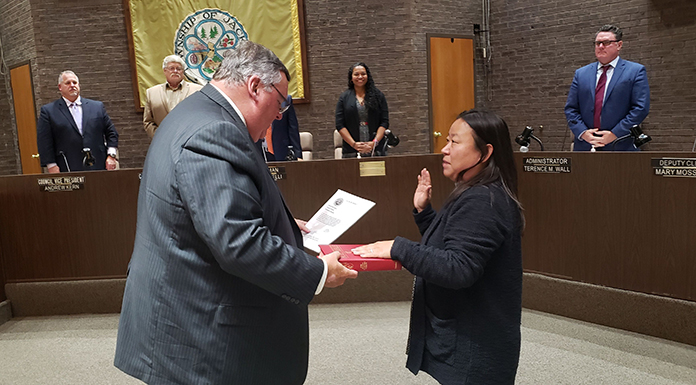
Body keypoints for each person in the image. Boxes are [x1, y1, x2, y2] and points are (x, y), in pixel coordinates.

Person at [114, 41, 358, 385]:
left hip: (184, 312)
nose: (279, 114)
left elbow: (209, 212)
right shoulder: (215, 130)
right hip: (203, 337)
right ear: (255, 87)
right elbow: (237, 241)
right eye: (280, 102)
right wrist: (317, 272)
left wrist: (285, 226)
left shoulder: (195, 112)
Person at [354, 110, 524, 384]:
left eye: (455, 142)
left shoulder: (482, 200)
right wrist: (424, 214)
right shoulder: (477, 192)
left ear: (485, 151)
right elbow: (457, 245)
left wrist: (398, 248)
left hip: (476, 346)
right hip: (469, 337)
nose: (444, 150)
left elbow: (458, 268)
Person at [565, 24, 650, 151]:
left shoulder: (635, 71)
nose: (600, 46)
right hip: (586, 146)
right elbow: (571, 109)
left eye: (606, 42)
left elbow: (640, 109)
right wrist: (583, 133)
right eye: (597, 43)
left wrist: (614, 134)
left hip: (621, 145)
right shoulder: (581, 74)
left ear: (619, 45)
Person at [36, 70, 119, 173]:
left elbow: (112, 133)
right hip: (67, 166)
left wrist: (111, 155)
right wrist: (51, 165)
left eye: (74, 83)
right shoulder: (49, 111)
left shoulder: (97, 107)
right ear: (60, 87)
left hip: (98, 164)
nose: (72, 85)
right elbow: (44, 141)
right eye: (67, 83)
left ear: (79, 85)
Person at [335, 62, 389, 158]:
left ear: (367, 76)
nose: (360, 77)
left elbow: (384, 122)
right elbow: (339, 124)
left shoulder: (378, 95)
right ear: (351, 78)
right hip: (351, 149)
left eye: (363, 74)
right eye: (356, 74)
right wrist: (354, 144)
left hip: (375, 149)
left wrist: (374, 142)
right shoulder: (344, 97)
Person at [143, 54, 203, 139]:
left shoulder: (197, 90)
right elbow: (148, 121)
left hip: (191, 142)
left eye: (179, 69)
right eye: (171, 68)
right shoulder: (152, 93)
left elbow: (202, 117)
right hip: (162, 142)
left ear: (183, 71)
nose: (175, 71)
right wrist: (159, 137)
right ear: (165, 71)